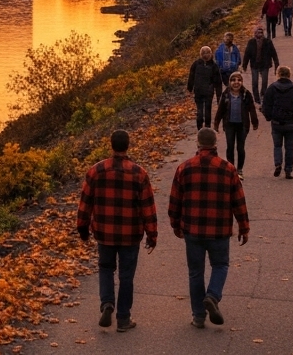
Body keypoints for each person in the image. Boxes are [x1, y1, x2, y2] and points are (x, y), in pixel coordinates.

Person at [77, 129, 158, 333]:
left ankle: (107, 304)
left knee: (105, 269)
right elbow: (148, 207)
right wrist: (152, 233)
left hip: (104, 233)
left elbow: (85, 203)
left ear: (111, 145)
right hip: (130, 234)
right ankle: (123, 318)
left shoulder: (96, 171)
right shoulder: (139, 173)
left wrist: (83, 229)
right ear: (128, 145)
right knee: (126, 276)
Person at [169, 128, 250, 329]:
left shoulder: (184, 168)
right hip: (219, 230)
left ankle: (198, 316)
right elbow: (238, 201)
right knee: (220, 265)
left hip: (193, 230)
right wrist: (243, 227)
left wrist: (175, 224)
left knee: (195, 273)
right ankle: (212, 295)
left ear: (197, 143)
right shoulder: (228, 169)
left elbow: (174, 201)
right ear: (215, 143)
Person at [260, 65, 293, 179]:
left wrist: (269, 117)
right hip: (291, 123)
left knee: (277, 145)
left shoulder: (272, 88)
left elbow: (266, 105)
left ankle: (278, 164)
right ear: (289, 75)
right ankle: (288, 170)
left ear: (278, 74)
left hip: (277, 122)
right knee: (289, 147)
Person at [214, 72, 258, 174]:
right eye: (233, 80)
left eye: (239, 80)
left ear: (242, 82)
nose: (236, 82)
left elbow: (252, 109)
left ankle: (239, 169)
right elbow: (220, 110)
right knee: (230, 146)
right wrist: (216, 122)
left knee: (240, 147)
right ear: (229, 82)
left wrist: (254, 121)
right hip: (229, 124)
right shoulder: (225, 94)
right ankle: (231, 168)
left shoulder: (246, 94)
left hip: (242, 125)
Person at [186, 46, 224, 130]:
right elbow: (191, 76)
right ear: (200, 54)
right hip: (198, 91)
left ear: (211, 54)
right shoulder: (196, 64)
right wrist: (190, 88)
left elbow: (218, 82)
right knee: (199, 113)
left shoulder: (214, 66)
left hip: (208, 92)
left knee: (207, 111)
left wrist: (219, 95)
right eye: (204, 53)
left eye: (208, 53)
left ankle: (207, 128)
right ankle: (199, 128)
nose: (206, 55)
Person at [242, 26, 279, 104]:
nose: (260, 34)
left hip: (265, 64)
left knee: (264, 82)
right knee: (255, 82)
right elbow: (247, 54)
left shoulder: (268, 42)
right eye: (258, 32)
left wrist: (277, 65)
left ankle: (263, 95)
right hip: (254, 65)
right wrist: (244, 65)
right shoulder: (251, 42)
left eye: (261, 32)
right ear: (255, 33)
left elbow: (274, 54)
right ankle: (256, 98)